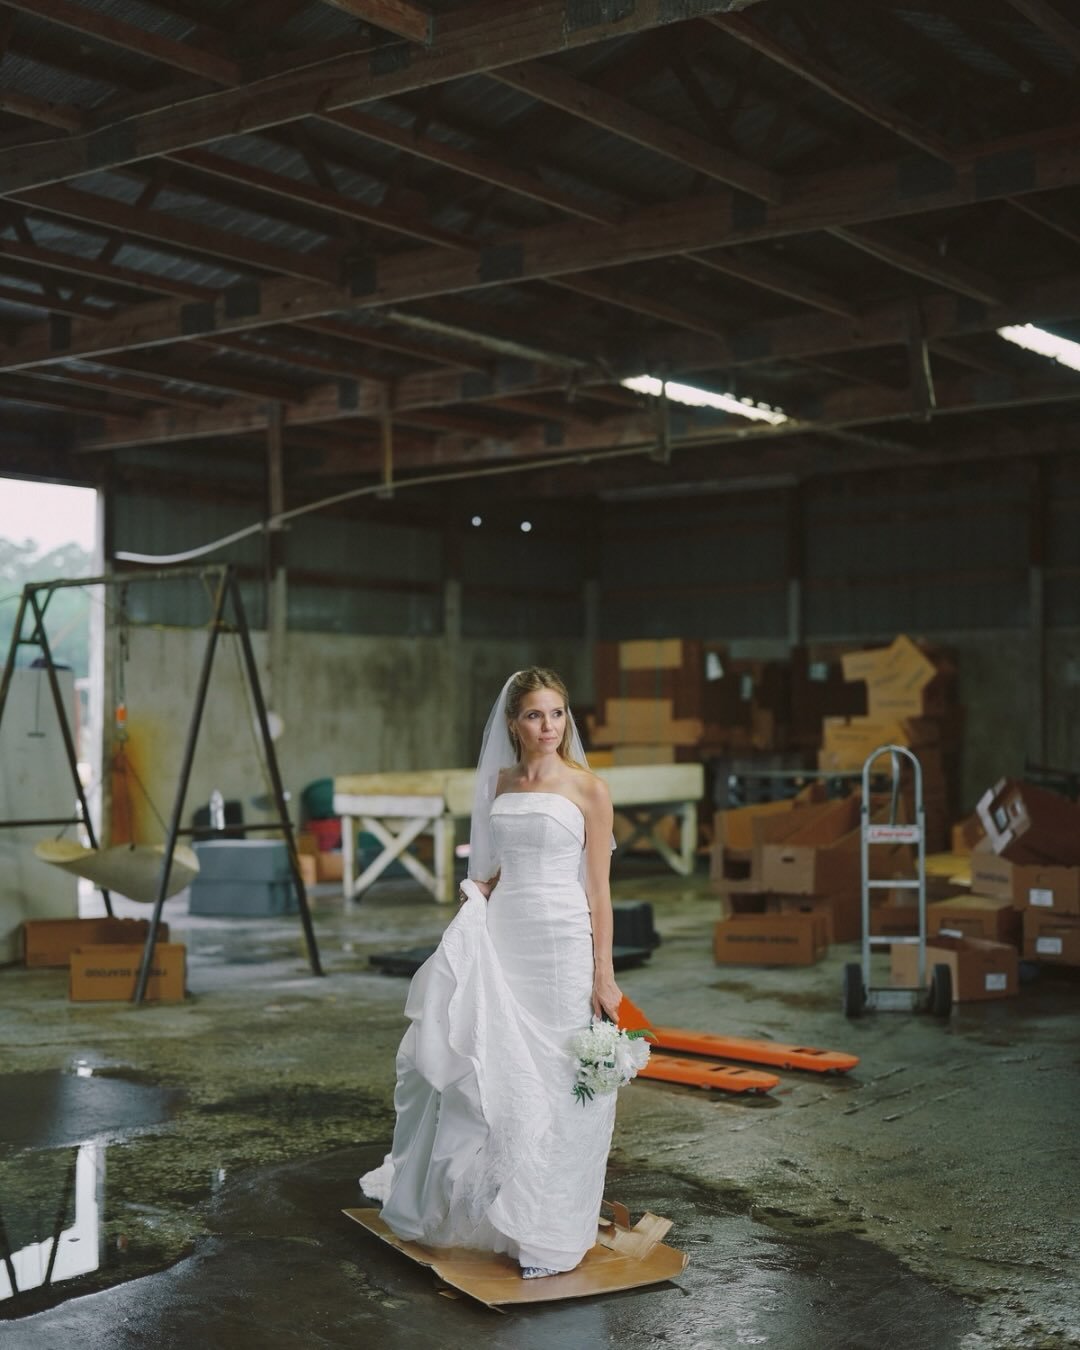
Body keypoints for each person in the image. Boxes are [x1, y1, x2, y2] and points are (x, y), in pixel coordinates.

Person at [360, 667, 621, 1279]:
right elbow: (510, 857)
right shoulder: (503, 780)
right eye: (535, 715)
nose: (549, 727)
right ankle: (500, 1220)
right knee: (497, 1069)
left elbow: (600, 890)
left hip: (561, 942)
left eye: (557, 714)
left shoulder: (589, 789)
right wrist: (487, 884)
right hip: (505, 936)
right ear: (514, 722)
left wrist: (603, 973)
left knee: (560, 1078)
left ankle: (549, 1228)